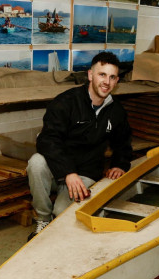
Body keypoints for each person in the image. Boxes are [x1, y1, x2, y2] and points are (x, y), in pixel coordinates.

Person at [26, 51, 132, 240]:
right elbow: (47, 140)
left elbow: (123, 142)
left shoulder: (116, 111)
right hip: (58, 168)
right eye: (102, 74)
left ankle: (56, 210)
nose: (106, 82)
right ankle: (42, 219)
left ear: (116, 81)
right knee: (36, 162)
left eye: (112, 77)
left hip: (86, 171)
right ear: (90, 75)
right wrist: (68, 172)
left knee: (62, 214)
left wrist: (119, 164)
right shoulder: (66, 102)